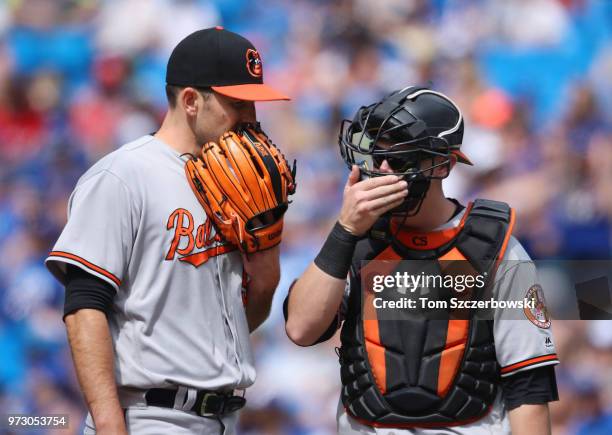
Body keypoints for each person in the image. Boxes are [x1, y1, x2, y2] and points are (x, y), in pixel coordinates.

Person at [45, 27, 289, 435]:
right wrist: (108, 423)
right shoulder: (124, 175)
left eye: (254, 105)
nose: (251, 119)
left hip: (225, 418)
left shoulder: (238, 184)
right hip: (148, 415)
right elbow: (85, 307)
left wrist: (266, 257)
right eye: (237, 104)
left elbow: (242, 317)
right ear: (191, 101)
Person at [284, 86, 559, 435]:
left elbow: (529, 388)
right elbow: (301, 329)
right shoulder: (356, 238)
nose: (382, 171)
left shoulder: (494, 248)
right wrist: (345, 230)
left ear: (441, 165)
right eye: (376, 157)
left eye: (399, 160)